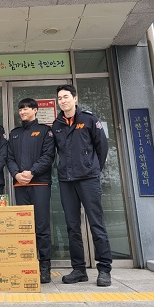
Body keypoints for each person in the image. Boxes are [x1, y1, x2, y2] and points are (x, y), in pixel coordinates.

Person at [52, 84, 112, 287]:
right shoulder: (57, 125)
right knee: (72, 226)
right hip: (66, 180)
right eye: (60, 98)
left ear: (75, 98)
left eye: (66, 97)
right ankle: (79, 269)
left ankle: (104, 269)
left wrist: (93, 168)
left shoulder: (89, 119)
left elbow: (102, 146)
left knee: (96, 223)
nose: (63, 101)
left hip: (88, 179)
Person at [7, 98, 56, 284]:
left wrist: (32, 172)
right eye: (21, 109)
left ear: (35, 110)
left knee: (41, 226)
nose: (23, 112)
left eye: (27, 108)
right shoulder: (15, 134)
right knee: (24, 227)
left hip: (40, 184)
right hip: (20, 185)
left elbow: (48, 156)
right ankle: (27, 263)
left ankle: (45, 266)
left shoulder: (45, 131)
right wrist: (16, 174)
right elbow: (9, 157)